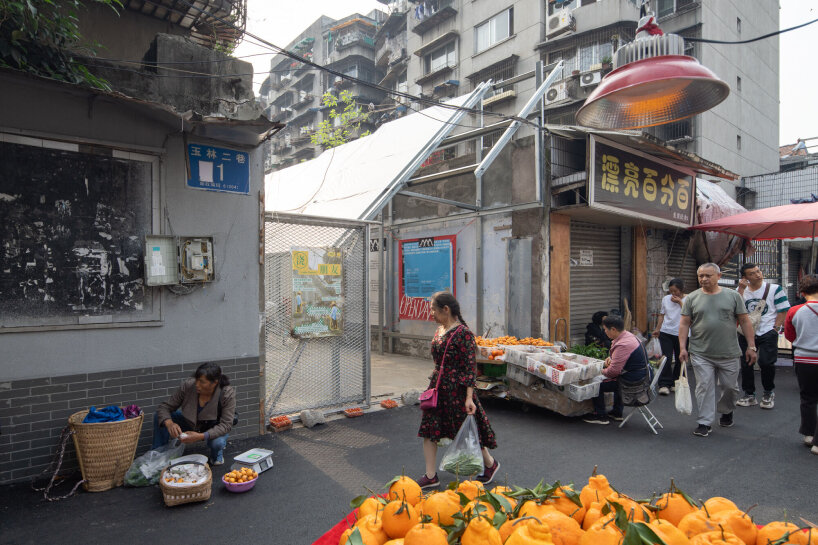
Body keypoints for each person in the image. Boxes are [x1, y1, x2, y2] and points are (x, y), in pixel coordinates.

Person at [417, 291, 499, 488]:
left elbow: (470, 368)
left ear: (446, 309)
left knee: (467, 431)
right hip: (438, 388)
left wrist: (469, 398)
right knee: (429, 429)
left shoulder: (464, 334)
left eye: (433, 310)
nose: (431, 315)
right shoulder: (439, 330)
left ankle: (490, 463)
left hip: (457, 391)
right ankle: (430, 475)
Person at [679, 263, 757, 437]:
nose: (704, 279)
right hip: (700, 351)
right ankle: (704, 422)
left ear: (719, 276)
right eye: (701, 276)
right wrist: (683, 347)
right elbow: (684, 323)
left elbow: (744, 321)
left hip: (729, 352)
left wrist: (751, 346)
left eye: (708, 275)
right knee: (703, 386)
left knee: (730, 387)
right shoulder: (692, 298)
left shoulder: (733, 296)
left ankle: (726, 410)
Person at [153, 362, 236, 465]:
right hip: (190, 422)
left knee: (217, 443)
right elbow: (164, 407)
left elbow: (226, 425)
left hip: (212, 427)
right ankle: (158, 455)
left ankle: (216, 455)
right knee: (160, 417)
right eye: (196, 380)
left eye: (202, 382)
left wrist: (201, 436)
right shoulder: (188, 386)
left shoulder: (226, 393)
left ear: (214, 383)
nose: (197, 384)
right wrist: (169, 423)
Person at [735, 263, 790, 409]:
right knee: (746, 364)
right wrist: (741, 288)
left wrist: (775, 328)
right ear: (745, 277)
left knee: (766, 362)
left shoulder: (774, 289)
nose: (758, 274)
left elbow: (783, 310)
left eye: (758, 271)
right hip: (746, 332)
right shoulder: (741, 290)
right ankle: (749, 394)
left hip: (767, 331)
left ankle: (768, 392)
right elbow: (734, 307)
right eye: (752, 273)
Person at [583, 315, 649, 425]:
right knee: (609, 377)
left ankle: (600, 415)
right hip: (640, 375)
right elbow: (621, 358)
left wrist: (598, 371)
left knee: (595, 382)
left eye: (605, 330)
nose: (604, 332)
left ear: (613, 329)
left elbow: (613, 372)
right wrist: (612, 359)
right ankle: (617, 412)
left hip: (634, 381)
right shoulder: (628, 336)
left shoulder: (623, 344)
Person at [783, 274, 818, 455]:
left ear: (802, 293)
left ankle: (809, 434)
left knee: (808, 398)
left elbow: (789, 336)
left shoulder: (794, 310)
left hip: (804, 359)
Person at [652, 279, 687, 396]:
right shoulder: (666, 299)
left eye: (675, 291)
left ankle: (676, 383)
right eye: (671, 291)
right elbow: (662, 315)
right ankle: (664, 384)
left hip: (682, 333)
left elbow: (690, 315)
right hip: (666, 331)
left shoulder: (688, 300)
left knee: (680, 359)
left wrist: (680, 303)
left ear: (681, 290)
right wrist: (657, 329)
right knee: (665, 358)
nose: (673, 294)